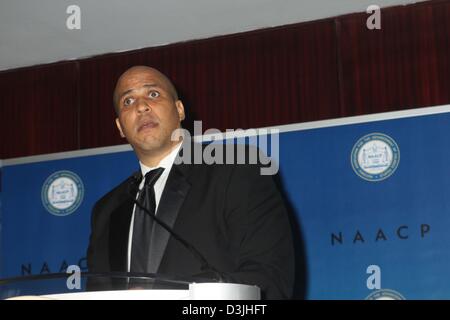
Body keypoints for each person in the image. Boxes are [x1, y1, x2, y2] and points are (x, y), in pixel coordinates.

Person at [86, 66, 295, 299]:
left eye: (153, 94)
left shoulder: (237, 171)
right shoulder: (107, 210)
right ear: (120, 127)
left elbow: (269, 282)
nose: (141, 106)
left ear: (179, 109)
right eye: (128, 101)